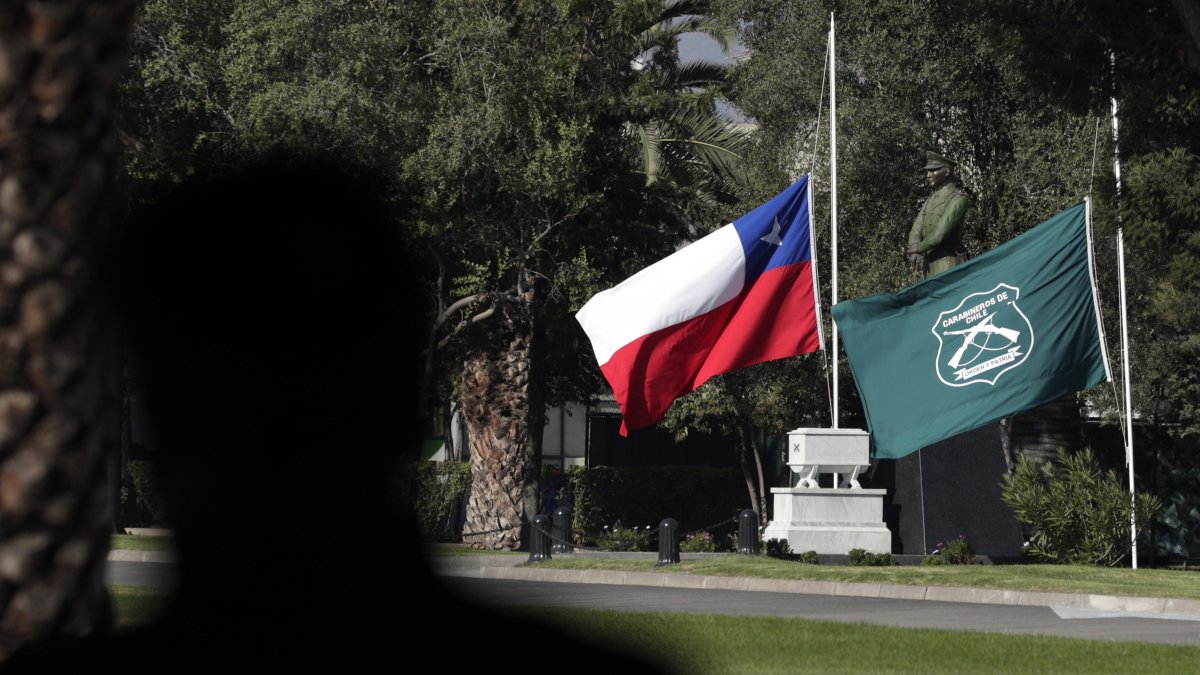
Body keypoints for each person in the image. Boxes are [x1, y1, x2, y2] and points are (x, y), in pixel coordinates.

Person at [907, 150, 969, 280]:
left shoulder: (958, 199)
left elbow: (939, 234)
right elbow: (915, 230)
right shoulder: (929, 201)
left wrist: (917, 248)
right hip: (928, 270)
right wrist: (914, 246)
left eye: (933, 170)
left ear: (946, 172)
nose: (928, 175)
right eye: (928, 171)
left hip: (948, 267)